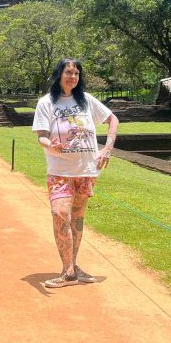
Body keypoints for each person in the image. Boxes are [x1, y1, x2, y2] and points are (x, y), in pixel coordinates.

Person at [32, 58, 119, 288]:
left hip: (86, 170)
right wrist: (50, 145)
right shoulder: (46, 102)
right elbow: (40, 135)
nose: (72, 77)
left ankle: (71, 268)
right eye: (68, 72)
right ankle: (68, 269)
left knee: (77, 220)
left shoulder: (86, 101)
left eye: (76, 73)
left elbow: (113, 120)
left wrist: (107, 149)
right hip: (60, 170)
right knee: (60, 214)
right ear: (59, 74)